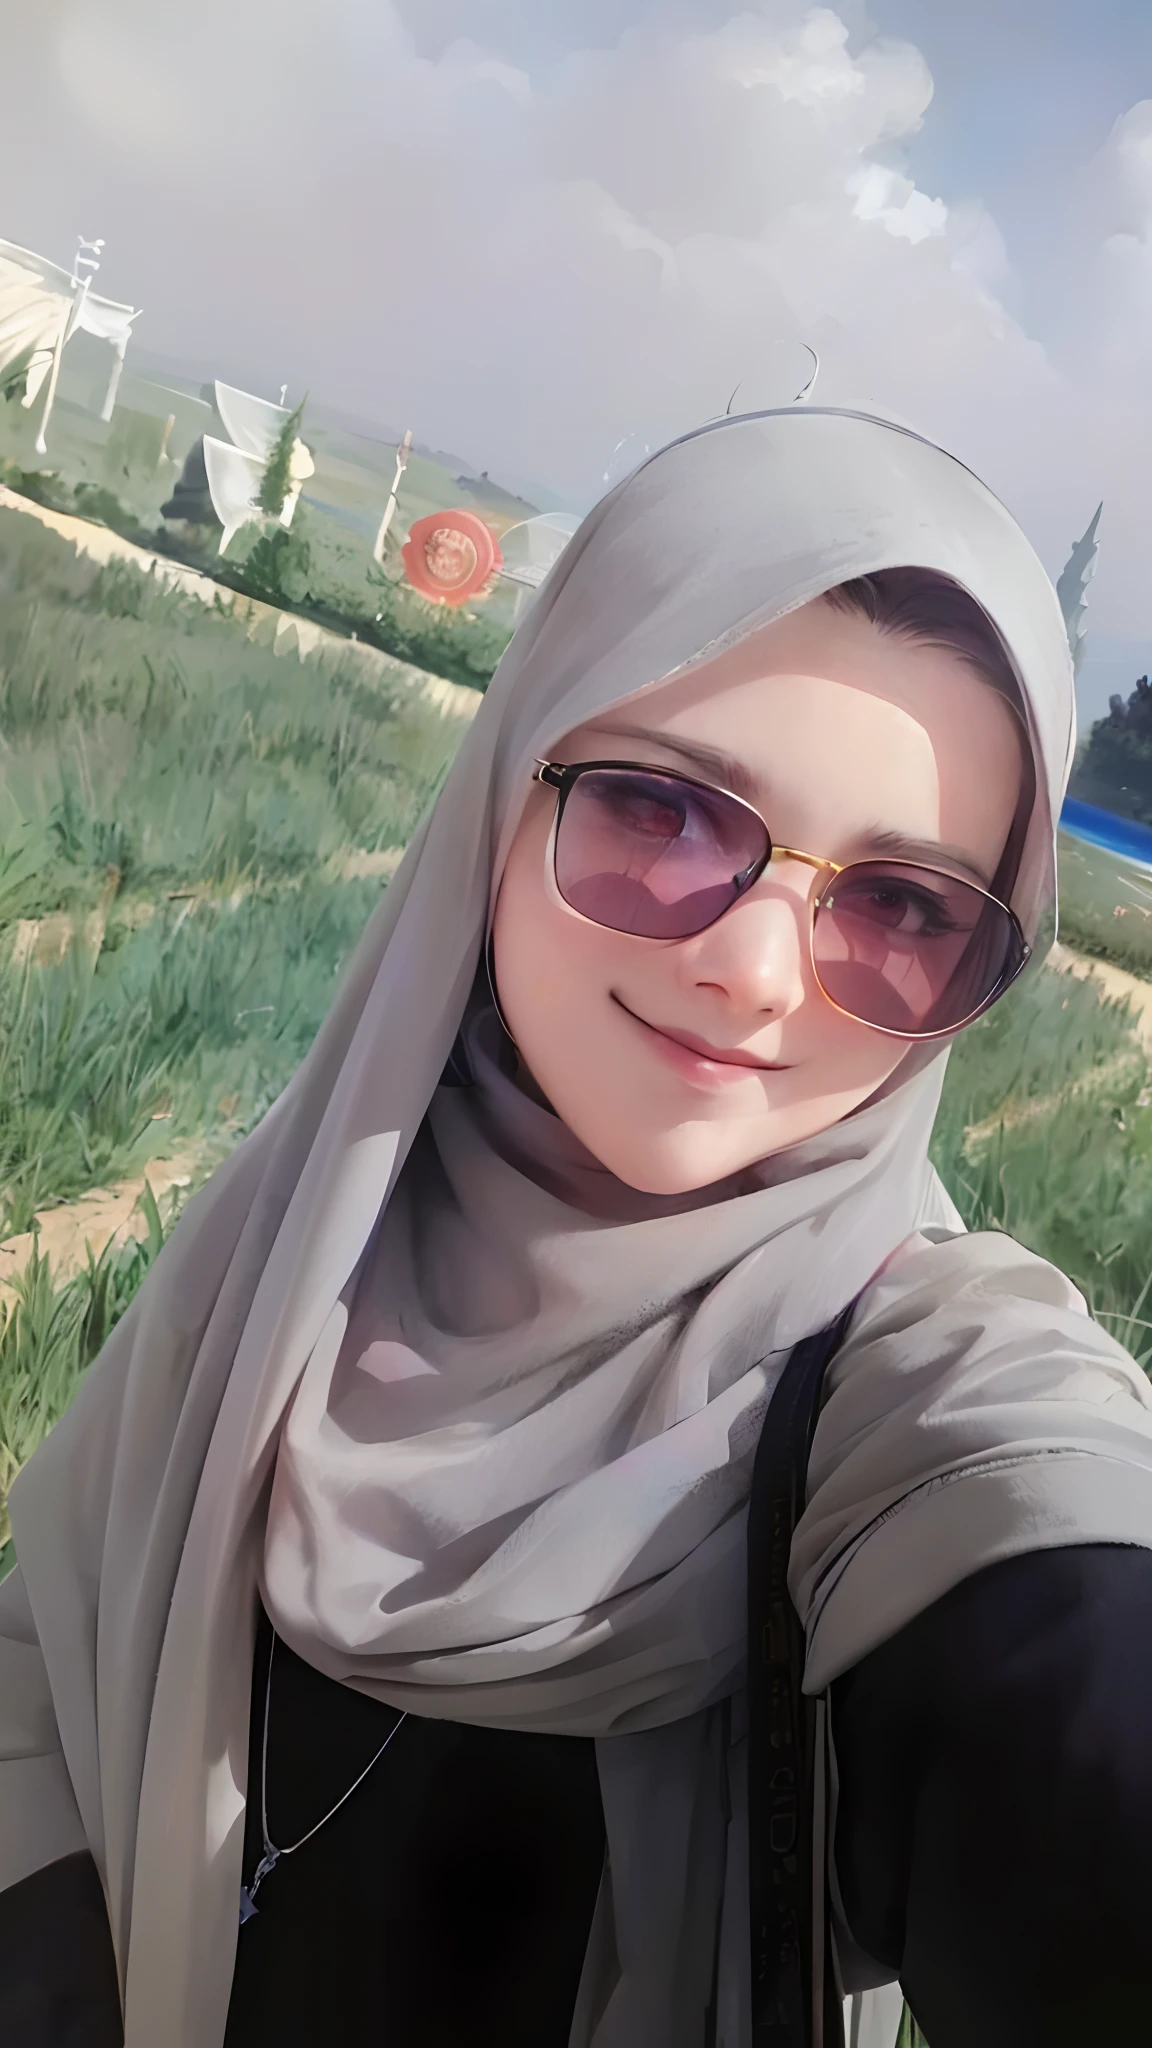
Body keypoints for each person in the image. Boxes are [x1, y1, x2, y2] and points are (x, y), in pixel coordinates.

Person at [2, 406, 1152, 2048]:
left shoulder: (908, 1391)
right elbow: (55, 1639)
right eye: (666, 811)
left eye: (903, 907)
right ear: (510, 784)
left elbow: (1061, 1613)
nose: (754, 972)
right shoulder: (318, 1213)